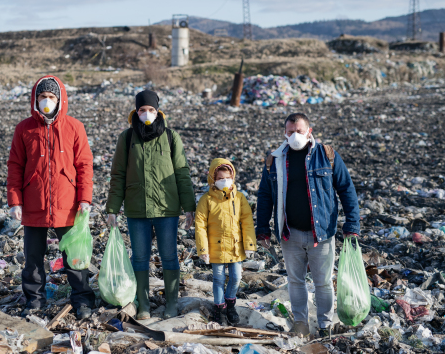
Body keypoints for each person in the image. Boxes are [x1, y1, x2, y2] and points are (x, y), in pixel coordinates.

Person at [256, 113, 360, 337]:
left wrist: (352, 223)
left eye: (299, 131)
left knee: (322, 282)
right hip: (289, 232)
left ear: (309, 131)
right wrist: (262, 228)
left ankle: (324, 325)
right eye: (290, 131)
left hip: (321, 233)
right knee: (295, 281)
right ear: (285, 132)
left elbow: (346, 189)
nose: (295, 136)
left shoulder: (327, 155)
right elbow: (265, 195)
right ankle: (301, 324)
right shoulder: (274, 159)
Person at [7, 75, 95, 319]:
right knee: (33, 258)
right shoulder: (24, 129)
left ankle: (82, 301)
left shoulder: (74, 127)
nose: (47, 101)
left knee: (74, 257)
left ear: (60, 100)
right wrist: (15, 201)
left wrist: (85, 199)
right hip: (34, 205)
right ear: (36, 99)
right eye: (43, 97)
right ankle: (34, 301)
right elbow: (15, 166)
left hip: (68, 206)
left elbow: (84, 165)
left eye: (51, 97)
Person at [105, 90, 196, 320]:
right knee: (139, 257)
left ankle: (172, 304)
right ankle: (144, 304)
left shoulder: (170, 137)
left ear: (158, 112)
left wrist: (189, 207)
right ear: (136, 111)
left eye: (151, 110)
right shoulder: (126, 138)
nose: (147, 114)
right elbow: (118, 175)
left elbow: (182, 173)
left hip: (167, 207)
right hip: (137, 208)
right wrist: (112, 209)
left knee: (169, 255)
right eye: (143, 110)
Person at [195, 158, 256, 326]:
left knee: (236, 277)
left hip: (235, 247)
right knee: (218, 279)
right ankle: (220, 308)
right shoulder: (206, 200)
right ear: (213, 179)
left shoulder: (240, 198)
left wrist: (250, 245)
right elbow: (200, 225)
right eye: (220, 178)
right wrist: (203, 249)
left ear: (233, 177)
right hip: (216, 248)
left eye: (227, 177)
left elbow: (247, 221)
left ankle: (230, 303)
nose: (224, 181)